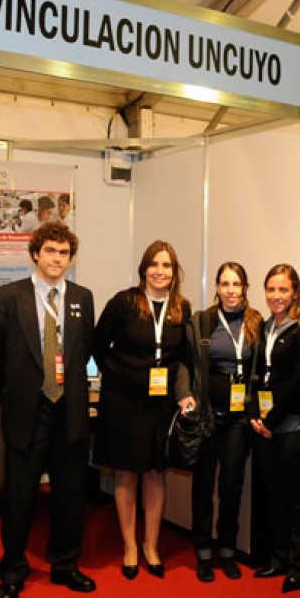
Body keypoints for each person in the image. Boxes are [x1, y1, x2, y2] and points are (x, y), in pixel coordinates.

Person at [0, 222, 96, 598]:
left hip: (71, 412)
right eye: (50, 251)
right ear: (35, 253)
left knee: (70, 494)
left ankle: (65, 564)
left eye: (63, 253)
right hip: (27, 412)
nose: (56, 259)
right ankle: (12, 572)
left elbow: (83, 354)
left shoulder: (82, 297)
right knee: (19, 497)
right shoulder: (8, 297)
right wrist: (11, 397)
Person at [92, 240, 193, 580]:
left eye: (166, 265)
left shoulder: (182, 307)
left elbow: (183, 359)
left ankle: (150, 545)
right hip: (122, 403)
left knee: (154, 472)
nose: (160, 271)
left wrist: (183, 394)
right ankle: (129, 546)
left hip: (160, 403)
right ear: (144, 269)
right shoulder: (125, 302)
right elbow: (97, 344)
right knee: (125, 471)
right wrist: (118, 375)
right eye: (154, 264)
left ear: (174, 271)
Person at [189, 262, 263, 582]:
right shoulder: (202, 321)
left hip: (238, 420)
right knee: (203, 485)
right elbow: (187, 363)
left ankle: (228, 549)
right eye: (225, 284)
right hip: (207, 417)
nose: (231, 290)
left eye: (236, 284)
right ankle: (203, 551)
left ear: (245, 287)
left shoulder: (256, 322)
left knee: (231, 486)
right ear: (217, 287)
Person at [249, 264, 300, 593]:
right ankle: (279, 558)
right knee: (274, 496)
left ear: (295, 293)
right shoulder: (265, 326)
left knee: (299, 499)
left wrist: (271, 420)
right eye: (271, 289)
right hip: (266, 426)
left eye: (283, 290)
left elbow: (299, 380)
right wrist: (256, 416)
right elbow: (258, 376)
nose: (276, 296)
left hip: (294, 426)